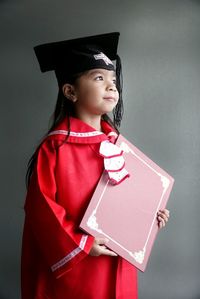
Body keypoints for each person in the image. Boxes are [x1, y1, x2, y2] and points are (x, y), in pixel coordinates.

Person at [21, 32, 170, 299]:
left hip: (117, 260)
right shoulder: (56, 148)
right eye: (99, 78)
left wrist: (149, 218)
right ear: (70, 91)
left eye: (113, 80)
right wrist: (81, 244)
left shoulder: (119, 148)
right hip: (79, 269)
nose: (111, 86)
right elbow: (40, 207)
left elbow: (127, 202)